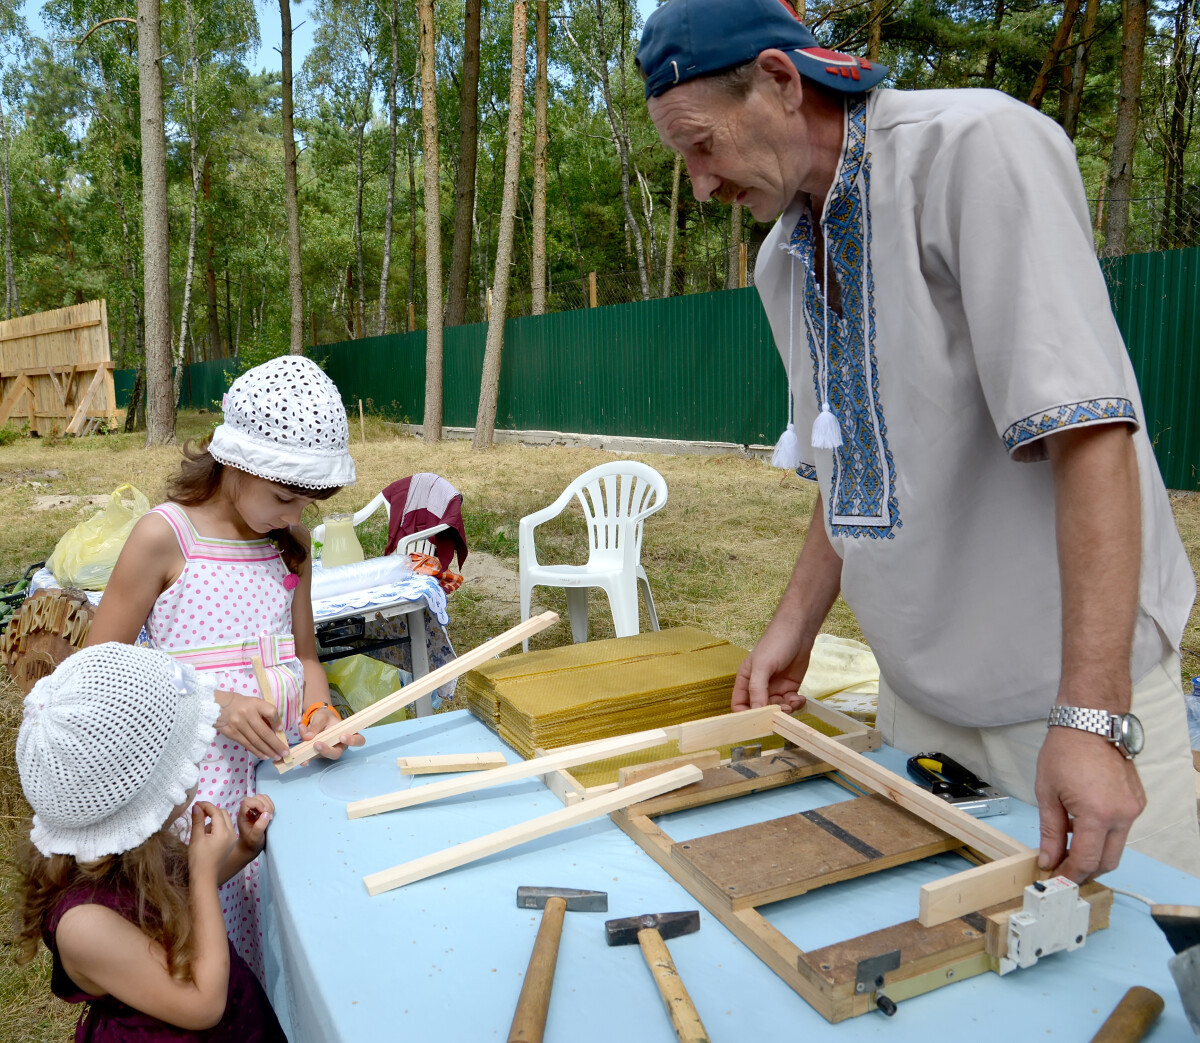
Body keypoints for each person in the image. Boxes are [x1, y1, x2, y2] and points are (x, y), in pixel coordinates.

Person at [637, 0, 1200, 880]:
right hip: (916, 701)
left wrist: (1092, 718)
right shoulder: (779, 256)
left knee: (1147, 966)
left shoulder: (974, 150)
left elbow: (1090, 433)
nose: (701, 184)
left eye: (703, 146)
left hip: (1058, 696)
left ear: (781, 82)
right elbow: (853, 456)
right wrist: (795, 621)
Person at [87, 353, 366, 981]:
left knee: (289, 935)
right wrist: (216, 704)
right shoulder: (165, 539)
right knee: (211, 942)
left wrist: (320, 712)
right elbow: (96, 678)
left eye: (307, 504)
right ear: (234, 462)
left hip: (283, 777)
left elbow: (307, 656)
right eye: (284, 497)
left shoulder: (288, 547)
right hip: (198, 797)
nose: (296, 517)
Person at [15, 642, 287, 1041]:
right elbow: (203, 1004)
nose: (199, 755)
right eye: (186, 752)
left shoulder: (134, 847)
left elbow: (180, 900)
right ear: (137, 788)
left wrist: (243, 849)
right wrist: (203, 867)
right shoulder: (84, 925)